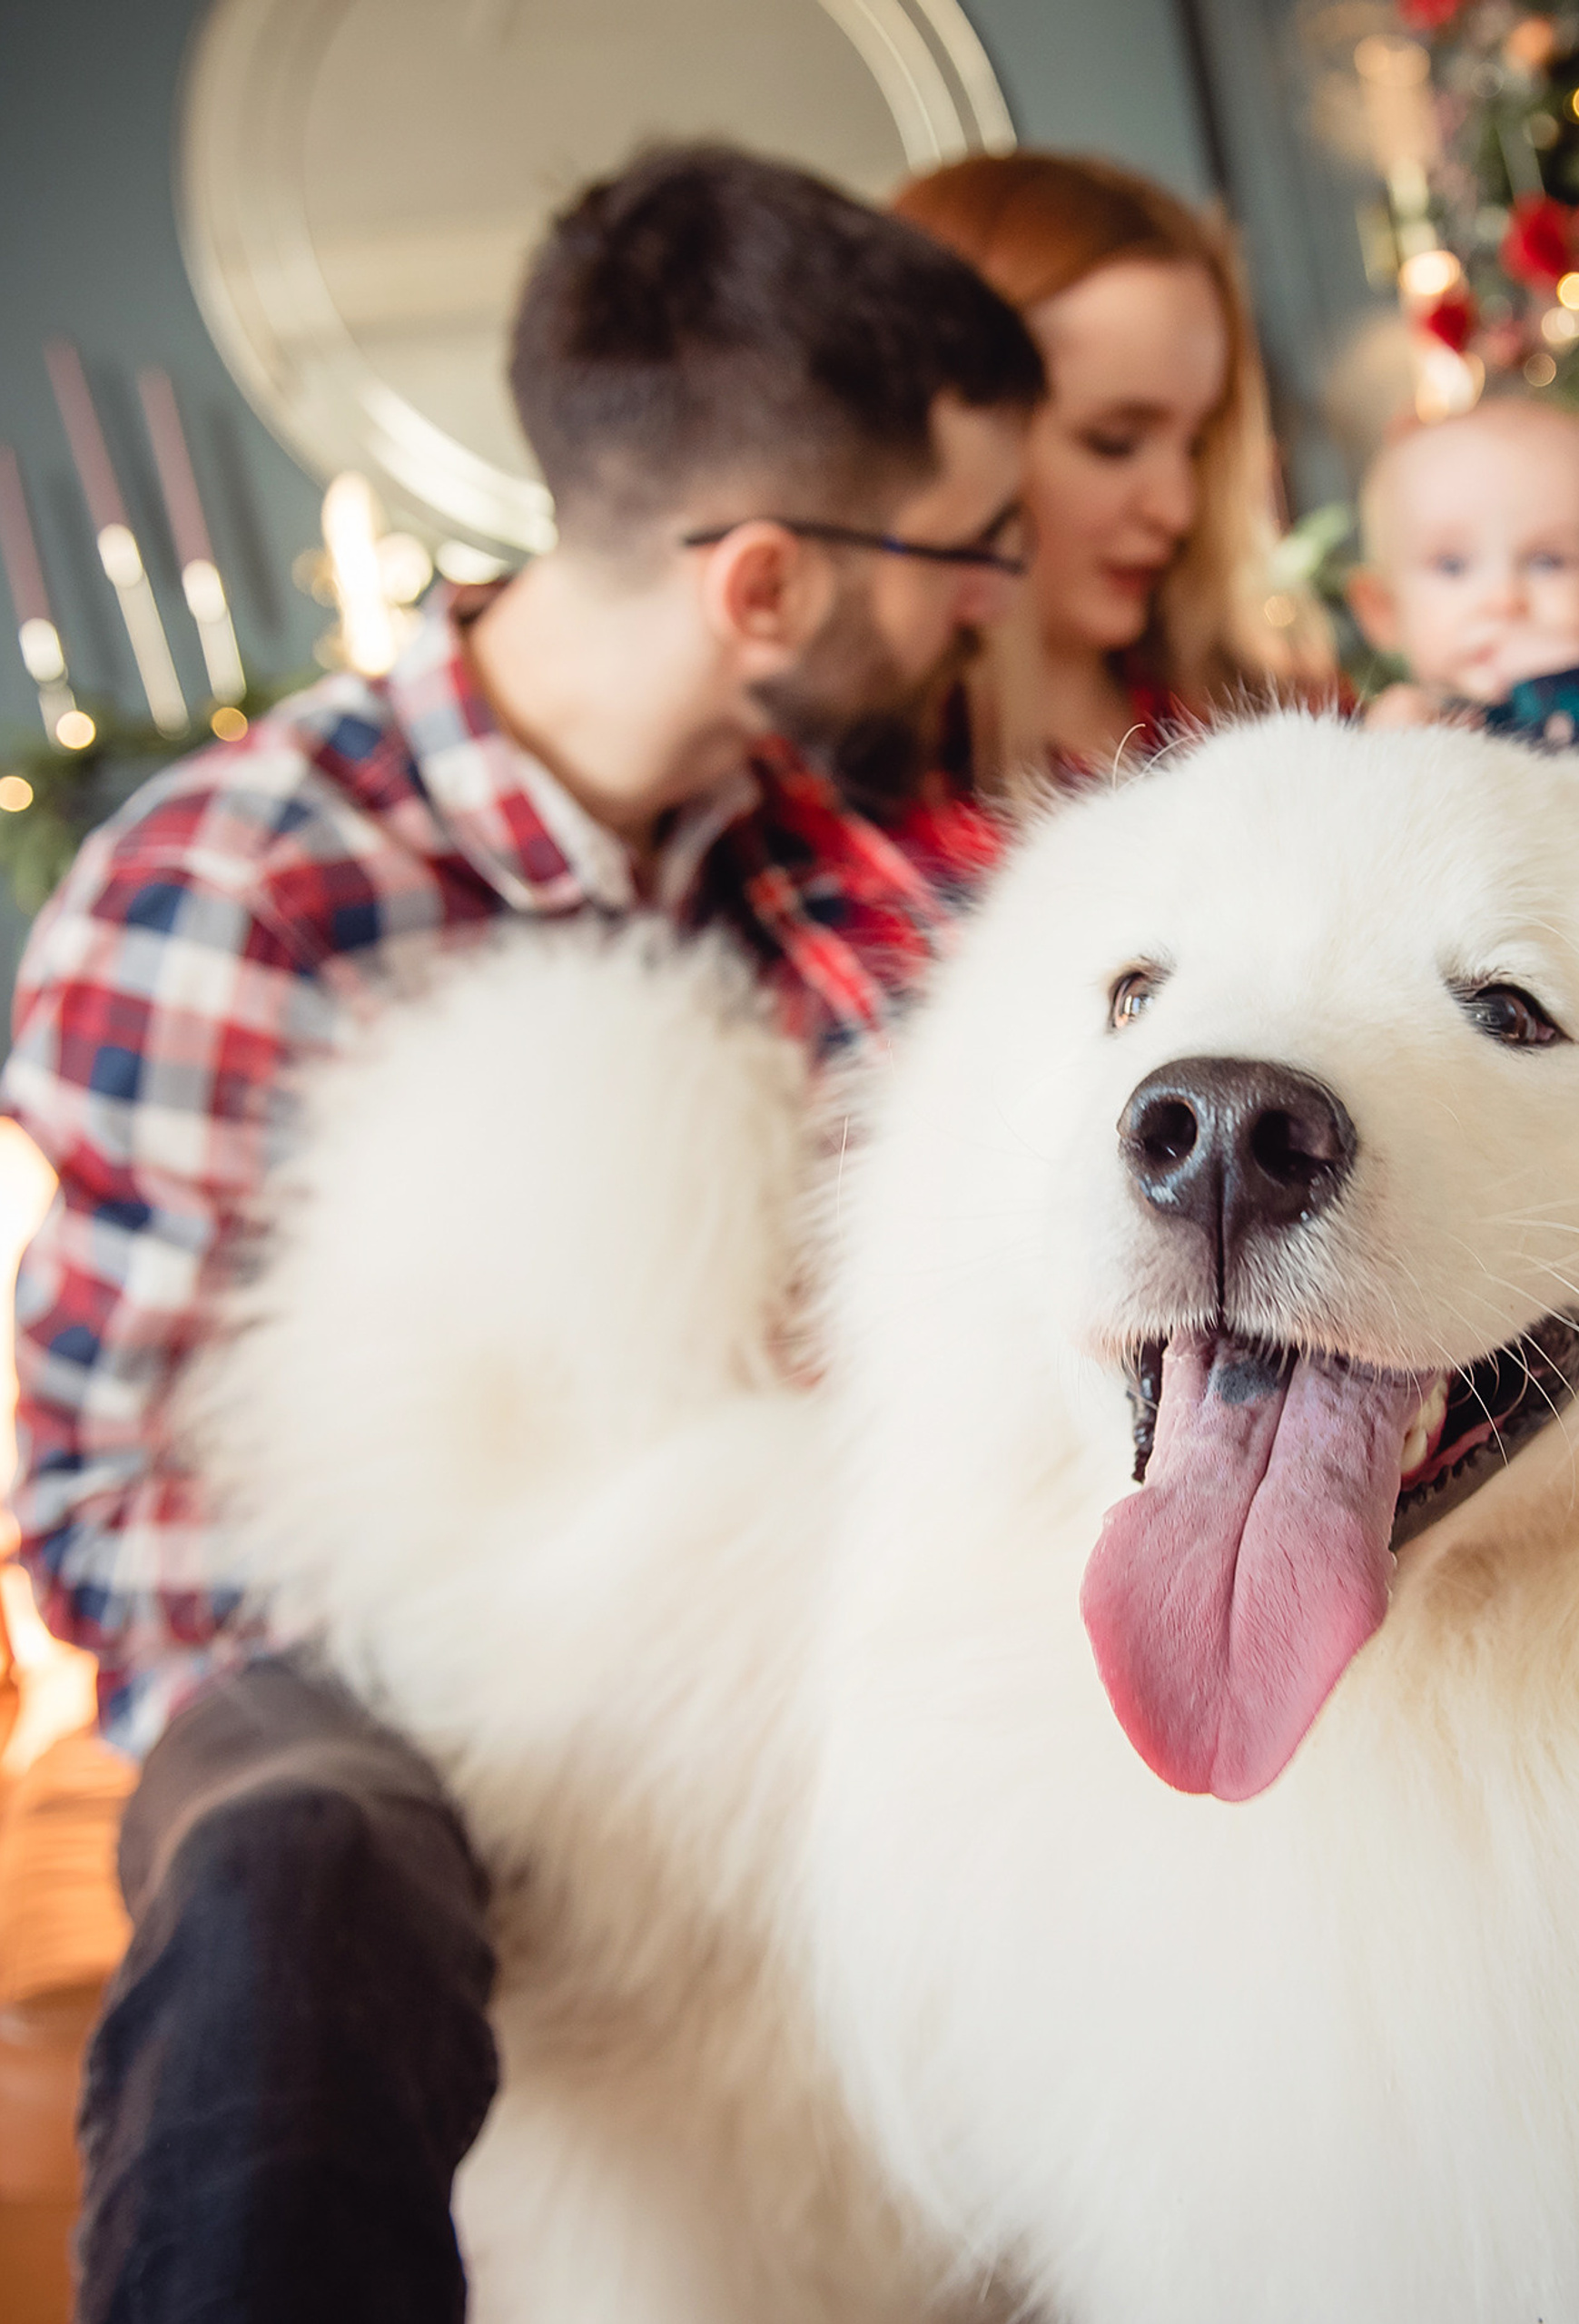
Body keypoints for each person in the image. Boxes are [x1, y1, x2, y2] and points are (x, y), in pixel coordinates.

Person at [3, 143, 1043, 2322]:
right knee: (289, 1848)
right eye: (967, 547)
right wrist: (538, 1652)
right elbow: (111, 1517)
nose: (989, 602)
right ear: (764, 583)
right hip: (349, 1662)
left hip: (785, 1612)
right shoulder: (231, 886)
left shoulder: (829, 857)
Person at [891, 150, 1324, 781]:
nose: (1177, 509)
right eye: (1112, 442)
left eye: (1197, 446)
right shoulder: (860, 794)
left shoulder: (1279, 717)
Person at [1347, 396, 1579, 749]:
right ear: (1383, 611)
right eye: (1452, 565)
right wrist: (1390, 752)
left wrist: (1563, 689)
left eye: (1548, 562)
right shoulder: (1391, 728)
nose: (1504, 599)